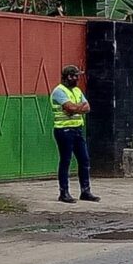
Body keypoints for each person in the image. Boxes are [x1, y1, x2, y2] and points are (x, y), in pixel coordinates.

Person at [51, 65, 99, 204]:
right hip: (64, 130)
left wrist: (74, 109)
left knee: (84, 160)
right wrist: (77, 108)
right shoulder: (59, 91)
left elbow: (87, 107)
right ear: (68, 77)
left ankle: (85, 191)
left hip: (77, 129)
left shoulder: (77, 91)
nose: (78, 78)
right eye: (75, 76)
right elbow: (70, 108)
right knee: (65, 161)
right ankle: (64, 192)